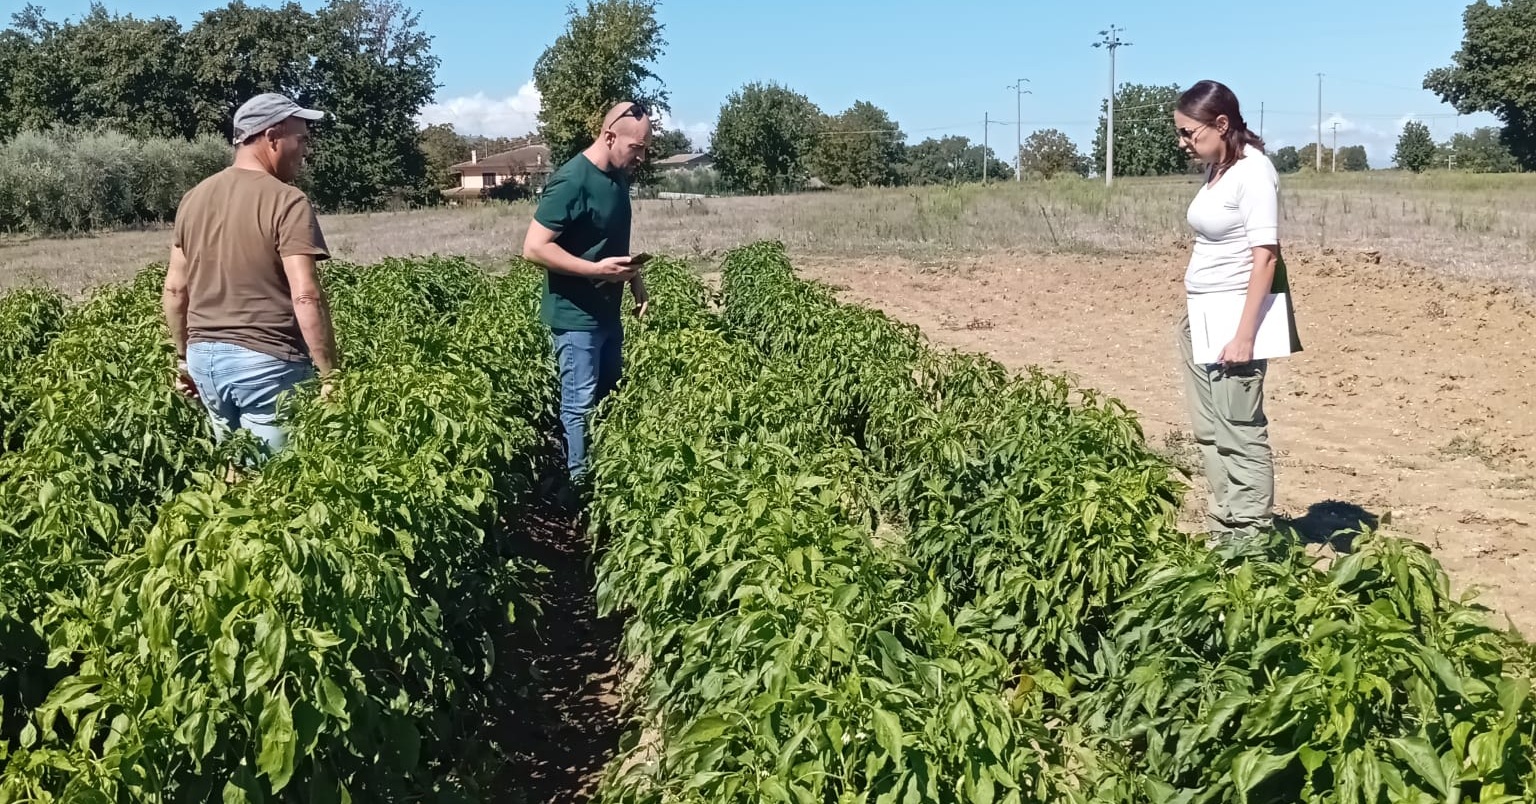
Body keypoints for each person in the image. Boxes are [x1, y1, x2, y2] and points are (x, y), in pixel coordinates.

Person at [163, 92, 340, 463]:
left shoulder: (193, 199)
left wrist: (184, 360)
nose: (305, 151)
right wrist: (330, 375)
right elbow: (305, 295)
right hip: (267, 364)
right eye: (301, 139)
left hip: (205, 360)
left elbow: (176, 290)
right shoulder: (287, 201)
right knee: (279, 486)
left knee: (237, 472)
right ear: (273, 136)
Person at [1172, 79, 1299, 545]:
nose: (1183, 142)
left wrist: (1245, 335)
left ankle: (1249, 539)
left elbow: (1265, 256)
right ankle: (1221, 527)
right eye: (1181, 133)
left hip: (1233, 321)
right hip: (1201, 316)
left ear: (1221, 124)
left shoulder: (1253, 172)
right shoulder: (1219, 170)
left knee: (1240, 430)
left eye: (1190, 133)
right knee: (1210, 430)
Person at [522, 101, 652, 503]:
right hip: (576, 317)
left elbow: (609, 243)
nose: (641, 157)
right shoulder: (572, 181)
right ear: (610, 136)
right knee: (579, 405)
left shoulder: (616, 178)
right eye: (637, 148)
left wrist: (635, 280)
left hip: (608, 314)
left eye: (646, 149)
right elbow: (533, 248)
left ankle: (607, 476)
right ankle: (583, 492)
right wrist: (596, 272)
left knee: (610, 396)